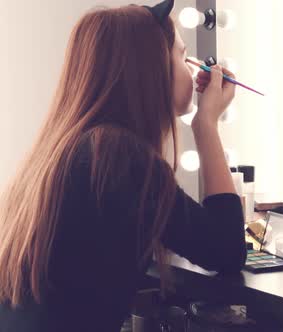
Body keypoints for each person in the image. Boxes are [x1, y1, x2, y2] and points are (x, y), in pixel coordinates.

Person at [0, 1, 245, 331]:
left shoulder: (63, 151)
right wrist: (206, 125)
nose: (192, 71)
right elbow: (224, 249)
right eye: (182, 56)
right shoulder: (118, 157)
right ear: (152, 67)